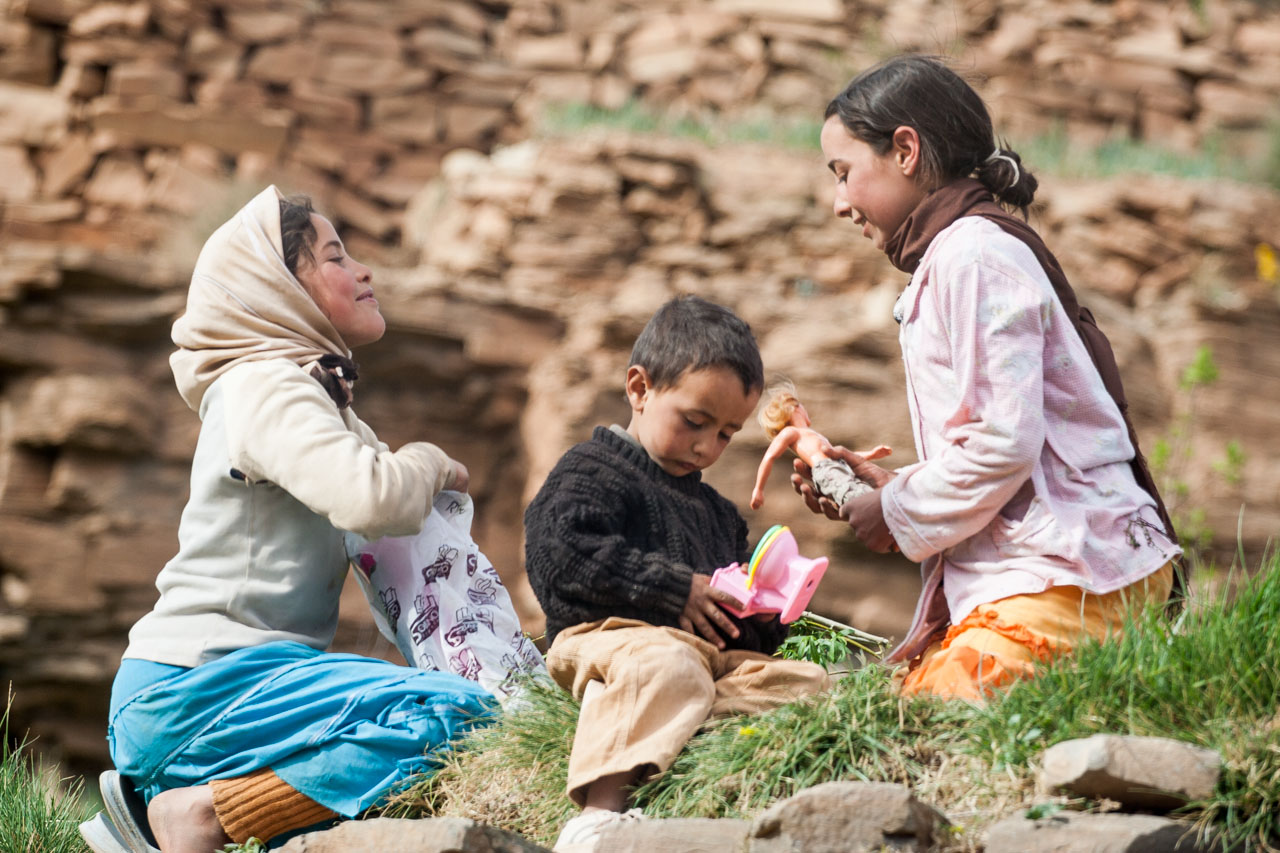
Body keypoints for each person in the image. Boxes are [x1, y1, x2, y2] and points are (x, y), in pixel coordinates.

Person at [85, 187, 495, 853]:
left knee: (415, 749)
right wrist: (429, 460)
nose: (363, 270)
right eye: (336, 257)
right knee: (453, 710)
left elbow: (389, 515)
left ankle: (190, 807)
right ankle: (200, 816)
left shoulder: (306, 395)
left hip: (231, 689)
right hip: (201, 686)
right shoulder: (266, 384)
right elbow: (374, 496)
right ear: (278, 286)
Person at [792, 54, 1182, 703]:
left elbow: (1003, 445)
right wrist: (896, 487)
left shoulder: (973, 256)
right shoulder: (962, 255)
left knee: (919, 722)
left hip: (1074, 579)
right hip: (1065, 575)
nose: (839, 203)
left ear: (906, 151)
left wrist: (894, 511)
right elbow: (1017, 448)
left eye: (844, 173)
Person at [523, 296, 830, 852]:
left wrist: (760, 613)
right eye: (694, 422)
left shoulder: (718, 514)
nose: (707, 446)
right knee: (667, 665)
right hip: (611, 639)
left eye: (727, 434)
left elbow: (725, 625)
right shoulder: (592, 469)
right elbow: (560, 554)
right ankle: (598, 815)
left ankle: (693, 757)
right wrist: (673, 588)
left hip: (704, 662)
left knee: (807, 683)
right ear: (639, 389)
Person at [750, 379, 890, 510]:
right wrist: (758, 489)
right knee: (856, 496)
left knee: (865, 493)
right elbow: (769, 457)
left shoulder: (813, 435)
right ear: (794, 408)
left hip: (839, 467)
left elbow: (843, 457)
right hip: (826, 470)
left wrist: (871, 454)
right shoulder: (791, 432)